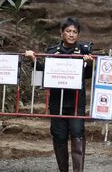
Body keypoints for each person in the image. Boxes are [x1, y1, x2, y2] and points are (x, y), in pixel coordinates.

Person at [25, 17, 93, 172]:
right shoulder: (52, 51)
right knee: (59, 136)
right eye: (68, 31)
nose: (71, 34)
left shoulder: (84, 51)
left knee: (77, 134)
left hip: (76, 102)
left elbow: (87, 75)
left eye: (75, 32)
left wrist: (90, 64)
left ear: (78, 34)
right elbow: (43, 72)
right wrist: (34, 60)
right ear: (62, 33)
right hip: (57, 102)